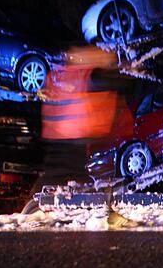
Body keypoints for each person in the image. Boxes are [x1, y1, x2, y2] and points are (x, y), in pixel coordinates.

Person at [33, 46, 131, 193]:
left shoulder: (61, 75)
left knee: (62, 179)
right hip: (73, 139)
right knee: (68, 179)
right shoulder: (91, 76)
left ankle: (36, 206)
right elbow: (116, 82)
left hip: (63, 137)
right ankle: (37, 209)